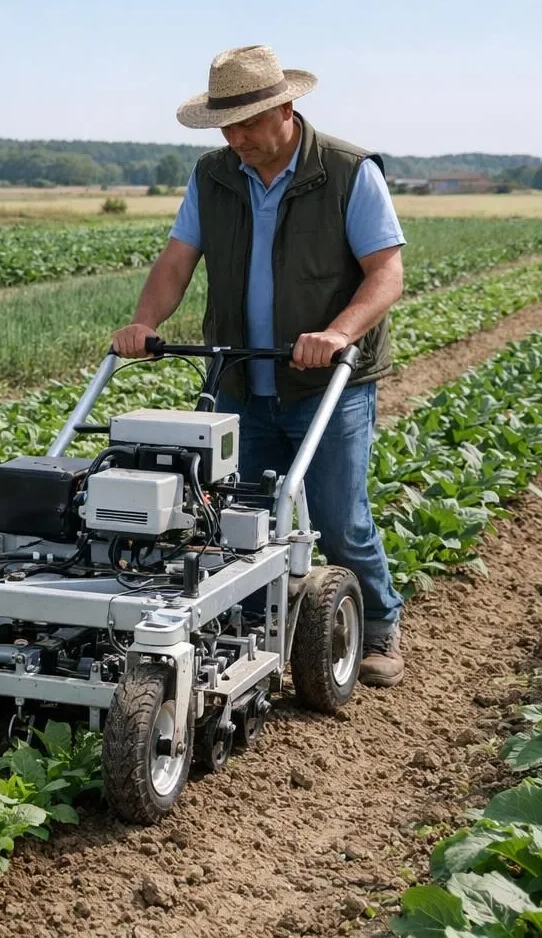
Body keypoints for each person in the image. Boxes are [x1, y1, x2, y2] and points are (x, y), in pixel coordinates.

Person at [111, 44, 407, 686]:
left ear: (286, 109)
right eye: (227, 124)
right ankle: (251, 632)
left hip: (326, 380)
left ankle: (380, 625)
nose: (236, 137)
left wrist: (336, 332)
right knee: (230, 517)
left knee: (338, 516)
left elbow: (386, 275)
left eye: (248, 122)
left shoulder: (349, 172)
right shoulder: (214, 175)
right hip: (241, 376)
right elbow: (177, 260)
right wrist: (145, 323)